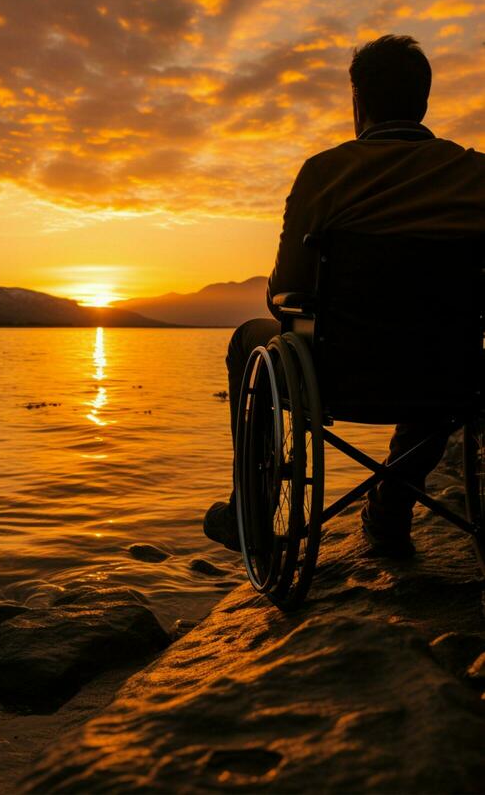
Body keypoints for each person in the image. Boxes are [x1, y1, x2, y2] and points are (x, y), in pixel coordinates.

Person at [203, 34, 485, 557]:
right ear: (424, 100)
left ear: (358, 102)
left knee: (249, 342)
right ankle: (391, 509)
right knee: (441, 355)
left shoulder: (324, 173)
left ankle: (254, 514)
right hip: (451, 376)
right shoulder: (476, 174)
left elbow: (287, 291)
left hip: (340, 373)